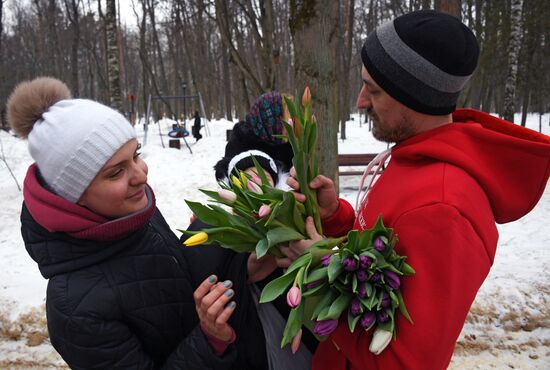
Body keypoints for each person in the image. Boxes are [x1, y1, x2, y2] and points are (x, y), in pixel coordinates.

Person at [287, 10, 550, 370]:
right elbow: (379, 265)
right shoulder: (411, 157)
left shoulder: (443, 207)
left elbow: (405, 362)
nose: (361, 101)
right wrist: (336, 217)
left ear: (414, 96)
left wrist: (318, 276)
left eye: (374, 89)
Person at [7, 77, 239, 369]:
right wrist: (209, 340)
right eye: (116, 172)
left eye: (136, 155)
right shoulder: (73, 309)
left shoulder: (132, 212)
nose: (141, 174)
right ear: (73, 195)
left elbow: (166, 283)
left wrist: (223, 243)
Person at [183, 91, 319, 370]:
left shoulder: (290, 142)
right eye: (286, 119)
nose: (290, 125)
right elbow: (241, 181)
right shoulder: (244, 144)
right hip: (249, 218)